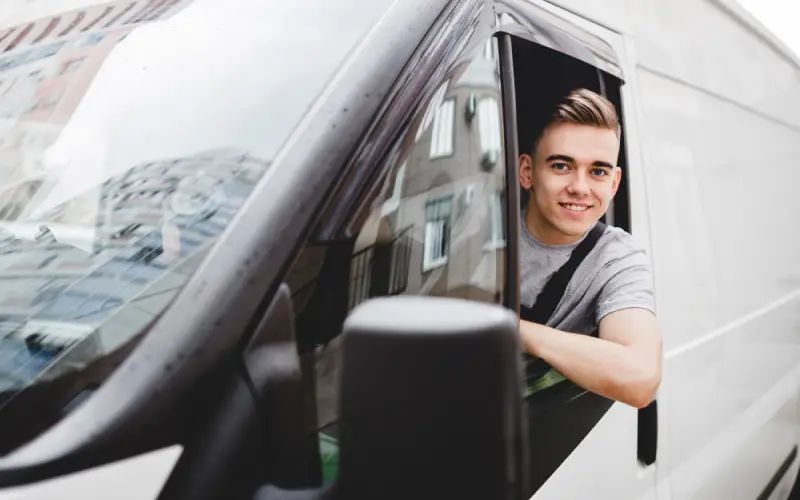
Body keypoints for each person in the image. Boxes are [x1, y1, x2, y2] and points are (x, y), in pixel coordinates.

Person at [517, 88, 661, 409]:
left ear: (613, 183)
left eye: (597, 171)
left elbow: (640, 379)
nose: (580, 188)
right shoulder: (483, 226)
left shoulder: (616, 259)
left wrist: (513, 331)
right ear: (527, 172)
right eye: (561, 166)